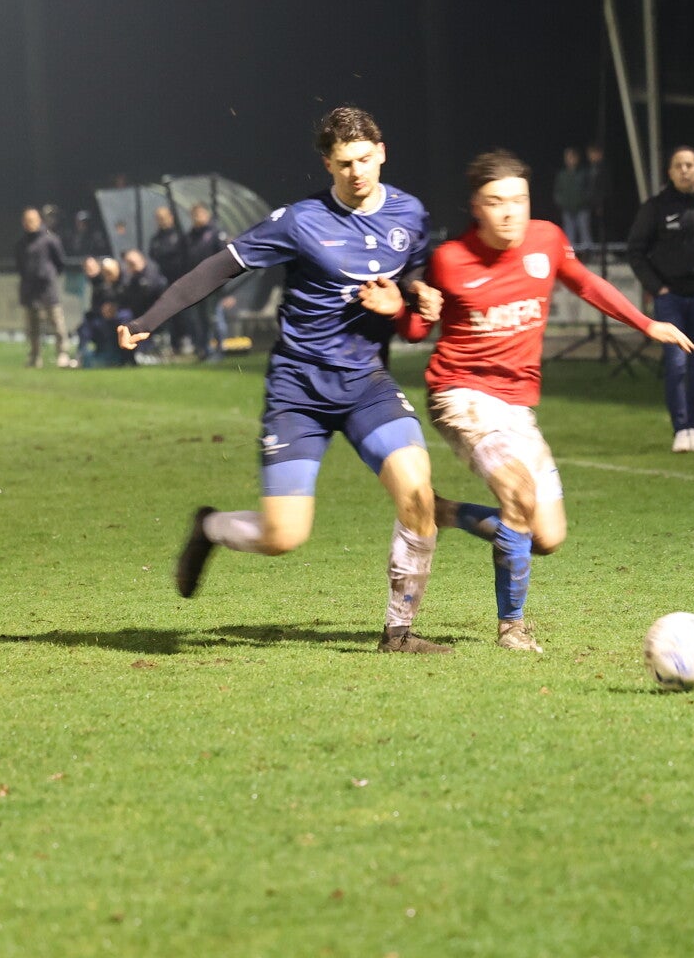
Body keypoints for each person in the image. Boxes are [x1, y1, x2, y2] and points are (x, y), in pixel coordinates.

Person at [118, 106, 449, 653]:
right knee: (283, 536)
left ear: (382, 153)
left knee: (418, 497)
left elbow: (411, 265)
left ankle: (398, 633)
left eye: (365, 159)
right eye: (344, 163)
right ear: (328, 165)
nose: (357, 172)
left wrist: (415, 292)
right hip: (300, 392)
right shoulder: (299, 221)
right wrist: (149, 320)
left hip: (367, 385)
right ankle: (210, 528)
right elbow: (219, 266)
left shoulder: (409, 212)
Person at [398, 150, 694, 653]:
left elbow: (588, 285)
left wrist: (646, 324)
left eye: (519, 199)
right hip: (461, 396)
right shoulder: (450, 259)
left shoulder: (547, 239)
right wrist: (412, 308)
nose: (509, 212)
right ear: (476, 206)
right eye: (496, 202)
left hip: (517, 406)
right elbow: (414, 331)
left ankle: (445, 511)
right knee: (517, 493)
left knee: (547, 537)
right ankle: (511, 627)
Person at [625, 146, 694, 452]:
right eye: (678, 166)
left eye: (689, 165)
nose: (684, 170)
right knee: (676, 364)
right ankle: (680, 429)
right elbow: (636, 251)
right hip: (669, 298)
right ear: (670, 172)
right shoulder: (656, 207)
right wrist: (657, 287)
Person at [15, 206, 71, 369]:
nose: (29, 223)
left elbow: (60, 263)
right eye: (26, 221)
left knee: (57, 323)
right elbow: (20, 265)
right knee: (32, 327)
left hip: (47, 289)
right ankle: (35, 357)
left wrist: (48, 275)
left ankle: (62, 354)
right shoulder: (21, 243)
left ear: (39, 220)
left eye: (32, 220)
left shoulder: (50, 240)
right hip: (29, 289)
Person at [182, 202, 229, 359]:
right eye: (194, 214)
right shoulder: (189, 237)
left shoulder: (216, 233)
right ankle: (204, 350)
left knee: (213, 317)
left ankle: (220, 350)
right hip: (195, 284)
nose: (197, 217)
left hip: (212, 283)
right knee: (198, 319)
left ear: (207, 214)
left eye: (200, 213)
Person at [148, 205, 192, 355]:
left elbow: (187, 257)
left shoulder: (180, 236)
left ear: (171, 218)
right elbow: (153, 257)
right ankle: (171, 344)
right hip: (163, 283)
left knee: (184, 313)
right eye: (159, 218)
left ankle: (187, 340)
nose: (162, 220)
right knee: (167, 314)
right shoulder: (155, 239)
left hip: (180, 280)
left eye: (164, 217)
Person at [553, 146, 590, 248]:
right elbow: (557, 191)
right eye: (567, 157)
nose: (570, 159)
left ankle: (588, 254)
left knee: (585, 233)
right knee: (569, 235)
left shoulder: (583, 173)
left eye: (572, 156)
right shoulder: (562, 174)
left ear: (577, 158)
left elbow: (589, 189)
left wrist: (584, 200)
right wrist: (562, 202)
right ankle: (570, 255)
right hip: (567, 209)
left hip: (582, 208)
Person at [580, 144, 611, 242]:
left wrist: (600, 203)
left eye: (593, 153)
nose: (591, 156)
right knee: (591, 226)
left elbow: (604, 187)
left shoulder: (604, 169)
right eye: (589, 154)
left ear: (599, 154)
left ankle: (604, 245)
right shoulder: (589, 169)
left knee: (602, 226)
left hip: (602, 203)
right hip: (590, 203)